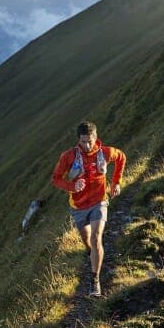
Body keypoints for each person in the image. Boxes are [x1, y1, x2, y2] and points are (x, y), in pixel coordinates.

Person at [52, 121, 125, 297]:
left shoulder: (105, 152)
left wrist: (116, 182)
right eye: (83, 141)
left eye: (90, 141)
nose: (87, 145)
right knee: (87, 241)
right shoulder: (68, 157)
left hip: (99, 202)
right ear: (78, 140)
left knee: (96, 237)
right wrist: (71, 186)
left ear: (95, 138)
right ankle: (92, 254)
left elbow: (121, 157)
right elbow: (55, 178)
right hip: (78, 207)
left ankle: (95, 280)